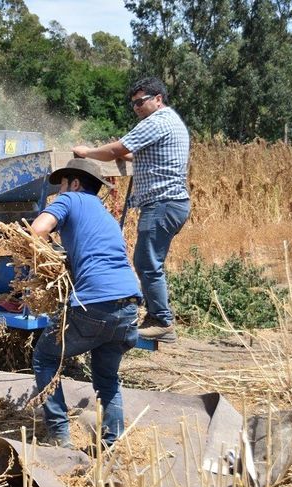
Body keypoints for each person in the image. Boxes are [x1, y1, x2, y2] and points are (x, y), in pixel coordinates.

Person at [30, 158, 141, 450]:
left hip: (95, 303)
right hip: (129, 306)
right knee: (107, 379)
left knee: (45, 358)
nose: (59, 191)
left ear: (75, 184)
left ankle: (59, 436)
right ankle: (112, 446)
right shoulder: (104, 216)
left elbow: (37, 228)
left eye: (63, 184)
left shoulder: (70, 199)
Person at [71, 76, 190, 342]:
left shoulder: (156, 121)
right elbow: (136, 154)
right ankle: (154, 316)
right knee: (148, 262)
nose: (136, 107)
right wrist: (119, 153)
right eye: (133, 103)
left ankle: (161, 321)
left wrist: (86, 152)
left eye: (141, 101)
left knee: (147, 263)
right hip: (171, 203)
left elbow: (118, 149)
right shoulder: (170, 121)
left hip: (162, 203)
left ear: (158, 99)